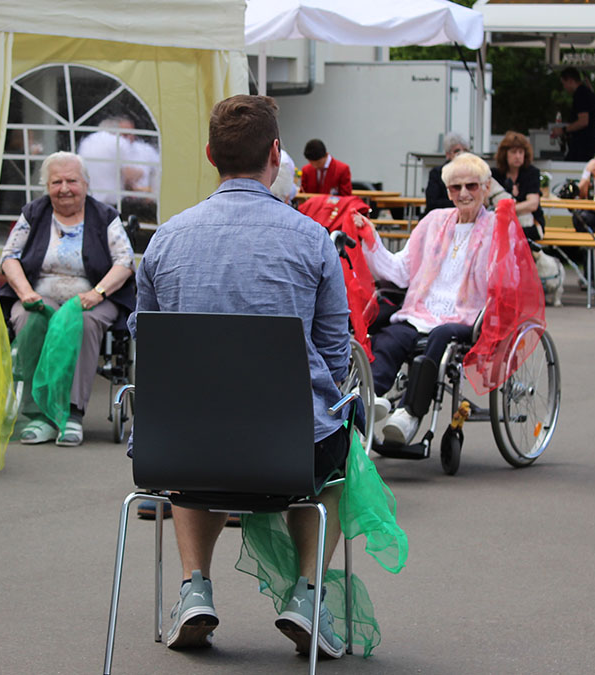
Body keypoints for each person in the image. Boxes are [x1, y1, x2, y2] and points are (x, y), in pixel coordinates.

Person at [133, 95, 352, 657]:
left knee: (198, 422)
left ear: (210, 155)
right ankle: (307, 594)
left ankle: (194, 588)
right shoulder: (311, 240)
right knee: (337, 442)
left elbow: (150, 348)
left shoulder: (165, 240)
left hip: (180, 454)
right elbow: (331, 354)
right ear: (276, 154)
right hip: (289, 456)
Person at [359, 152, 529, 446]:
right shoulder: (433, 221)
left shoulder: (497, 227)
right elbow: (400, 270)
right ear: (448, 191)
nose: (464, 194)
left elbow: (507, 282)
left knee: (439, 339)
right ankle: (374, 399)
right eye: (455, 187)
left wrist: (502, 251)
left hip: (467, 316)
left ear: (486, 188)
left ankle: (409, 414)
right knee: (391, 337)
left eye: (472, 186)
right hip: (421, 310)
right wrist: (370, 238)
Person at [0, 151, 136, 446]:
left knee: (84, 324)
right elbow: (9, 256)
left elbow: (124, 262)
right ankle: (40, 414)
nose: (64, 188)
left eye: (72, 181)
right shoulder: (33, 213)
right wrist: (25, 293)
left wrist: (96, 292)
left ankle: (71, 413)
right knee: (28, 317)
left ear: (86, 184)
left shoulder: (105, 216)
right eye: (56, 182)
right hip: (40, 292)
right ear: (46, 186)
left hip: (93, 297)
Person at [491, 131, 545, 240]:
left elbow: (533, 204)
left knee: (508, 235)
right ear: (505, 154)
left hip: (532, 224)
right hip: (503, 223)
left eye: (521, 152)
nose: (518, 156)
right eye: (513, 152)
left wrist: (505, 210)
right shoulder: (495, 174)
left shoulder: (531, 173)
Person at [551, 67, 595, 162]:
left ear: (570, 81)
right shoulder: (587, 92)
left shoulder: (581, 94)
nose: (564, 87)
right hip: (589, 144)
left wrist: (563, 130)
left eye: (564, 83)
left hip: (583, 145)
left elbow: (583, 121)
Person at [425, 131, 471, 213]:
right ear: (448, 155)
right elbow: (432, 203)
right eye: (457, 151)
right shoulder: (437, 173)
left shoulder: (474, 173)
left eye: (465, 150)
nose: (462, 154)